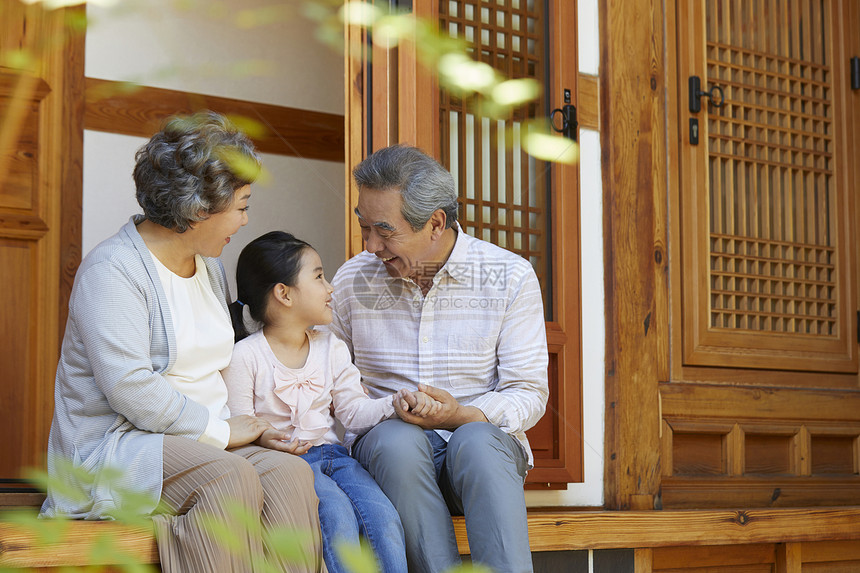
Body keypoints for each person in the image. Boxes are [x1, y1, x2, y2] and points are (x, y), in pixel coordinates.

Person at [40, 111, 326, 573]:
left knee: (289, 474)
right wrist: (221, 433)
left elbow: (221, 364)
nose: (246, 220)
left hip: (200, 438)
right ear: (197, 209)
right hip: (120, 445)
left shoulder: (208, 266)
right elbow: (131, 387)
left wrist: (247, 427)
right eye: (241, 205)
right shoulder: (112, 272)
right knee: (226, 478)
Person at [325, 144, 549, 573]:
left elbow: (528, 391)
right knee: (397, 441)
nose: (371, 245)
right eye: (364, 227)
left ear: (435, 223)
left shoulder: (509, 276)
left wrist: (461, 414)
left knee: (478, 442)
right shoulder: (353, 278)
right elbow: (329, 379)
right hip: (390, 462)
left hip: (481, 462)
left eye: (385, 231)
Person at [222, 231, 439, 573]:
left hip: (335, 457)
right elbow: (240, 425)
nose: (331, 288)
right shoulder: (245, 356)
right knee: (336, 514)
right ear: (284, 294)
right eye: (320, 276)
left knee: (383, 516)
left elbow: (353, 412)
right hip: (286, 466)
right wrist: (265, 437)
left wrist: (395, 402)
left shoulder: (331, 347)